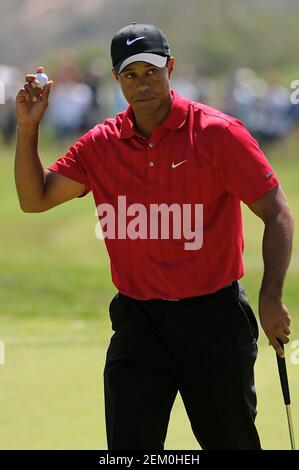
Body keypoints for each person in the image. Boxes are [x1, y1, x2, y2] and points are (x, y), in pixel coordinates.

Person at [14, 23, 294, 450]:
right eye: (130, 75)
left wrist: (270, 295)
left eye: (151, 72)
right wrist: (28, 128)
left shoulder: (219, 134)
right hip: (138, 323)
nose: (141, 85)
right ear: (115, 79)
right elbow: (34, 200)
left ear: (171, 68)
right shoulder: (100, 144)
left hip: (214, 321)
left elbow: (276, 212)